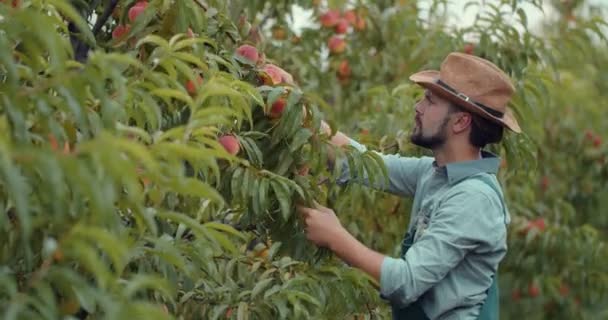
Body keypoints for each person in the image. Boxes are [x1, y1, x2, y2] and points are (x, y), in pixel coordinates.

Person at [296, 52, 521, 320]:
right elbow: (365, 164)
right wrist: (298, 109)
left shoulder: (473, 198)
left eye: (430, 101)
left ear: (461, 122)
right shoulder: (436, 173)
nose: (418, 107)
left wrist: (335, 237)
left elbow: (407, 282)